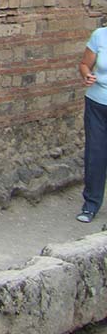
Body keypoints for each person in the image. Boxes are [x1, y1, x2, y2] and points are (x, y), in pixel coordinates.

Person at [78, 24, 107, 222]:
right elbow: (84, 64)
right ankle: (90, 205)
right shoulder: (99, 35)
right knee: (95, 154)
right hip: (97, 104)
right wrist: (86, 75)